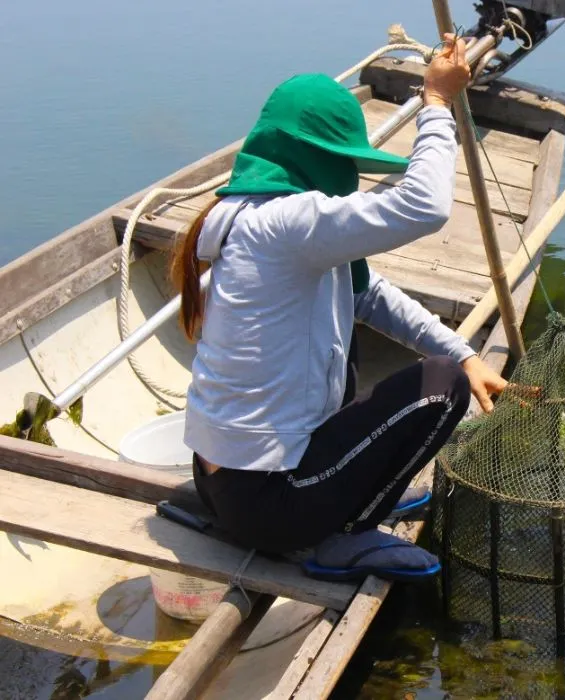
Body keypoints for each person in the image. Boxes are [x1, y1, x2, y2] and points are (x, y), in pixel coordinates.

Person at [169, 35, 508, 583]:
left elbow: (368, 295)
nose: (350, 177)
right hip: (270, 508)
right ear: (313, 159)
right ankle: (345, 533)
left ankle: (339, 495)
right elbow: (423, 205)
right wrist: (437, 104)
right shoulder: (286, 222)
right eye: (343, 162)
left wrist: (466, 352)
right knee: (442, 389)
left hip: (219, 484)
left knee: (424, 362)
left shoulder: (243, 216)